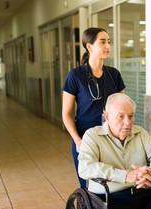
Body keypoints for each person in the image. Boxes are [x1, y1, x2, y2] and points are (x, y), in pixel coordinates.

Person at [62, 27, 125, 189]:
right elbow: (66, 114)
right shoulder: (75, 76)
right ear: (89, 47)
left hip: (111, 138)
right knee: (89, 186)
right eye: (102, 42)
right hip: (85, 138)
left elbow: (122, 108)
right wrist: (77, 140)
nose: (107, 46)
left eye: (109, 42)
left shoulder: (114, 75)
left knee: (113, 185)